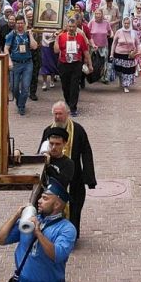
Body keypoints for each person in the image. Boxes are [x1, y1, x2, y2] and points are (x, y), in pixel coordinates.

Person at [46, 101, 96, 236]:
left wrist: (89, 177)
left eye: (60, 114)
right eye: (55, 114)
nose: (57, 117)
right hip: (54, 178)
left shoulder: (78, 130)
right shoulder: (48, 130)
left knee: (74, 208)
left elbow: (86, 152)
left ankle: (71, 236)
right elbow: (41, 151)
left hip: (74, 178)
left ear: (67, 114)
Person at [55, 18, 91, 116]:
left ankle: (73, 107)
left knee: (74, 86)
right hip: (64, 64)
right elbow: (56, 51)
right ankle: (69, 101)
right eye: (69, 26)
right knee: (65, 86)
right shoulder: (61, 36)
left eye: (73, 27)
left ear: (76, 27)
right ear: (67, 26)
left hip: (76, 64)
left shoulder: (80, 37)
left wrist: (89, 64)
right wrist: (56, 39)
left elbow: (85, 51)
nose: (71, 28)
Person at [6, 17, 37, 116]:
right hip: (15, 63)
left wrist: (31, 35)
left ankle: (21, 106)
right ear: (15, 24)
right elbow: (6, 48)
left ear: (24, 24)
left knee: (25, 86)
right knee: (14, 88)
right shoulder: (12, 34)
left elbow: (34, 46)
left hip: (27, 63)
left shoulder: (27, 34)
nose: (20, 25)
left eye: (21, 23)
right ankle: (19, 101)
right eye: (18, 23)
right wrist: (9, 62)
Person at [110, 18, 140, 93]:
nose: (126, 25)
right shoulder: (119, 32)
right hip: (119, 54)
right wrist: (111, 54)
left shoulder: (133, 33)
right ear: (123, 23)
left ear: (130, 24)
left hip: (129, 55)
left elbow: (137, 43)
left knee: (127, 72)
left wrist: (138, 52)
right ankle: (121, 82)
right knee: (119, 70)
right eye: (125, 23)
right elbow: (114, 43)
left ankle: (126, 85)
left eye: (128, 23)